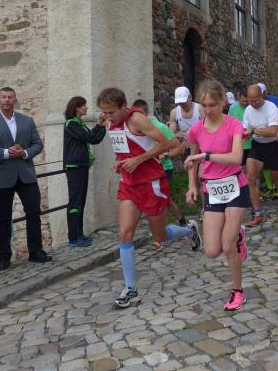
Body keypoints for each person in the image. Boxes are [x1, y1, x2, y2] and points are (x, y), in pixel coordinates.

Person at [97, 88, 201, 308]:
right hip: (129, 184)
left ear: (123, 106)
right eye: (104, 112)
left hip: (151, 182)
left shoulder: (137, 119)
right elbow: (125, 148)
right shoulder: (112, 122)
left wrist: (138, 160)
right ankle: (130, 288)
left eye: (111, 112)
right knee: (125, 233)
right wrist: (120, 162)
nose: (107, 116)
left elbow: (166, 144)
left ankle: (189, 230)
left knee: (159, 236)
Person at [185, 80, 250, 310]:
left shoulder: (234, 124)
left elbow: (236, 158)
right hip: (212, 190)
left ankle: (237, 291)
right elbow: (192, 160)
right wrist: (192, 186)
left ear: (222, 101)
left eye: (212, 105)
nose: (208, 110)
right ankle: (239, 235)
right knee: (212, 251)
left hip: (235, 186)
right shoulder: (196, 129)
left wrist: (207, 156)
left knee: (228, 245)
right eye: (204, 105)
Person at [0, 87, 52, 271]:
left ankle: (36, 252)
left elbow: (37, 144)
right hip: (1, 176)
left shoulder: (27, 120)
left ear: (15, 100)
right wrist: (6, 153)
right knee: (3, 218)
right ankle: (4, 258)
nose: (7, 100)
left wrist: (24, 153)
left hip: (26, 174)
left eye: (10, 97)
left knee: (34, 213)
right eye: (4, 97)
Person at [132, 98, 189, 231]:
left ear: (146, 113)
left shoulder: (160, 127)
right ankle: (181, 223)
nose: (136, 118)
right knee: (163, 199)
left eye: (139, 115)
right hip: (145, 170)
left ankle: (173, 226)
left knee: (162, 199)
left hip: (163, 169)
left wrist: (166, 156)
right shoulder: (134, 129)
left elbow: (179, 148)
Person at [243, 84, 278, 226]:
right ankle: (257, 213)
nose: (253, 103)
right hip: (257, 146)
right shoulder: (248, 110)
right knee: (251, 176)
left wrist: (254, 131)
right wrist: (245, 134)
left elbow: (272, 131)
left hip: (273, 145)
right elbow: (245, 130)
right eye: (250, 101)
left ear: (262, 96)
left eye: (256, 100)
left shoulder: (271, 107)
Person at [63, 96, 107, 248]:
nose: (86, 108)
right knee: (75, 201)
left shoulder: (79, 123)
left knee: (80, 201)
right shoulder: (71, 123)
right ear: (77, 107)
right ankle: (73, 237)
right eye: (84, 105)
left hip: (81, 166)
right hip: (74, 167)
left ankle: (79, 234)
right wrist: (100, 125)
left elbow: (93, 138)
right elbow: (89, 138)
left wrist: (100, 124)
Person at [169, 86, 202, 153]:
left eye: (184, 102)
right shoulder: (174, 112)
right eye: (180, 103)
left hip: (201, 145)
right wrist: (177, 134)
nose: (182, 105)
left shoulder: (200, 109)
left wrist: (191, 135)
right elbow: (170, 134)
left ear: (190, 97)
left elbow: (209, 128)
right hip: (186, 147)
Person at [228, 83, 252, 167]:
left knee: (252, 169)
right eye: (243, 101)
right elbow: (229, 125)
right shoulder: (233, 108)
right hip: (239, 144)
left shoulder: (252, 107)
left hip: (252, 143)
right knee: (241, 168)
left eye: (247, 101)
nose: (245, 103)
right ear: (239, 97)